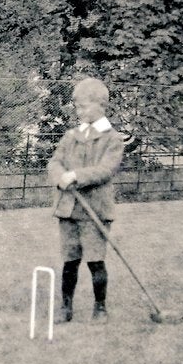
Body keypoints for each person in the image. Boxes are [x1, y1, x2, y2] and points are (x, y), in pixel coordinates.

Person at [47, 77, 126, 324]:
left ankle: (100, 308)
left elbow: (106, 169)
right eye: (77, 106)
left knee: (95, 260)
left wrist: (76, 176)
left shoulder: (112, 139)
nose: (79, 111)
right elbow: (54, 162)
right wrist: (60, 176)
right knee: (70, 261)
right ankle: (65, 308)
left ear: (100, 105)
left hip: (95, 209)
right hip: (69, 209)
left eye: (83, 106)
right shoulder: (71, 136)